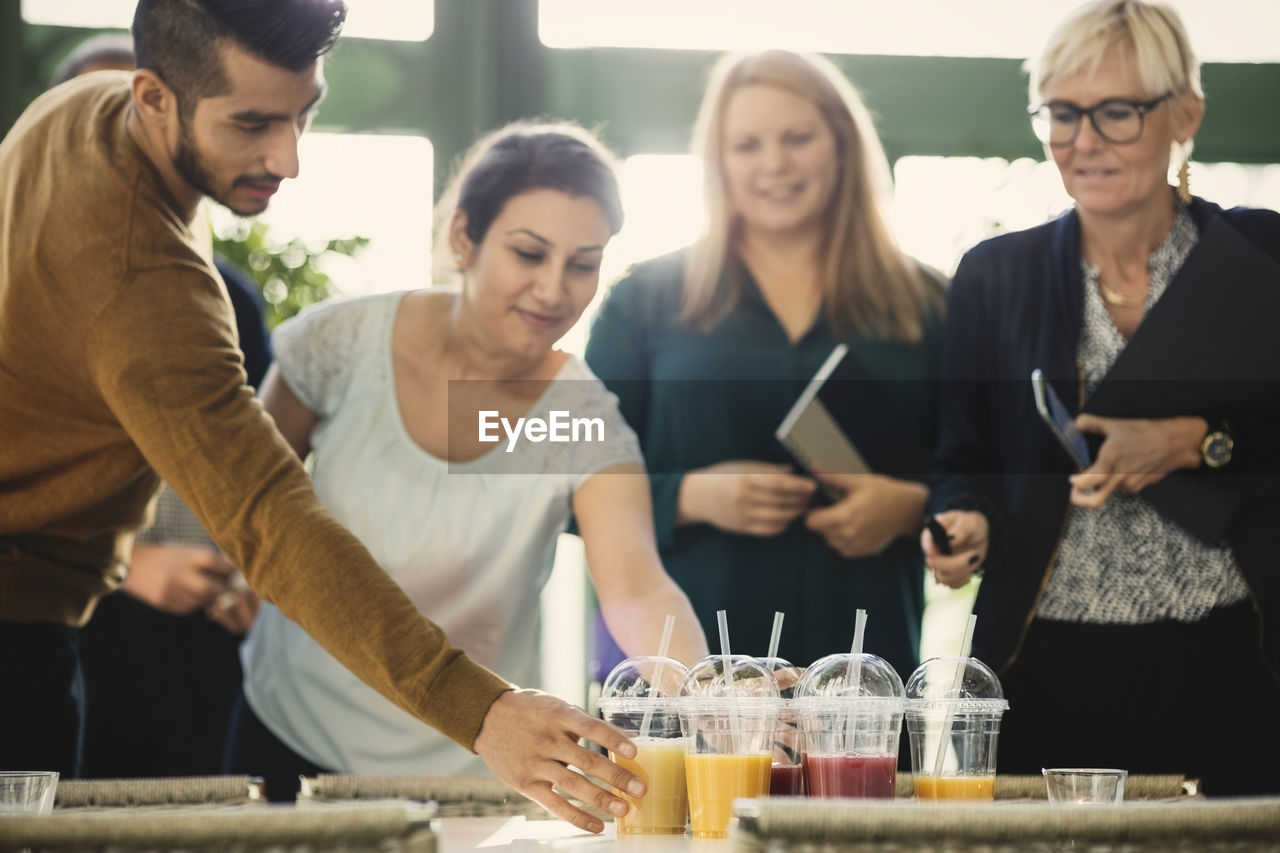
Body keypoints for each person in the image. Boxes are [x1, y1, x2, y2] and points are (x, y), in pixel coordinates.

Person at [0, 0, 649, 831]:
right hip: (282, 716)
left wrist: (700, 676)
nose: (290, 158)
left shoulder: (79, 113)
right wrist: (486, 710)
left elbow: (632, 574)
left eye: (305, 113)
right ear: (464, 238)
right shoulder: (308, 333)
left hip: (459, 762)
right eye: (254, 123)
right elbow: (265, 518)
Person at [228, 122, 708, 797]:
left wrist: (708, 687)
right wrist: (225, 577)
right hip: (291, 732)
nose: (553, 289)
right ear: (464, 238)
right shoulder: (341, 343)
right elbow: (242, 502)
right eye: (528, 253)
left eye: (582, 262)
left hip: (474, 759)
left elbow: (637, 588)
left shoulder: (580, 412)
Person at [923, 0, 1280, 795]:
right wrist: (965, 518)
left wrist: (1195, 441)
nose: (1084, 141)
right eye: (1062, 113)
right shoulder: (995, 276)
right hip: (1049, 655)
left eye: (1116, 112)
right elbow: (961, 459)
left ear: (1185, 113)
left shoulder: (1260, 256)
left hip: (1236, 650)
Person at [585, 50, 945, 682]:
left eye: (798, 138)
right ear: (716, 162)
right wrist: (688, 497)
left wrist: (912, 506)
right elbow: (559, 477)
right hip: (685, 682)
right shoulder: (642, 301)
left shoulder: (930, 304)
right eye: (746, 145)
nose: (774, 164)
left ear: (842, 145)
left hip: (864, 685)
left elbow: (990, 479)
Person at [46, 31, 265, 778]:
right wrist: (133, 564)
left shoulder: (231, 296)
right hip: (75, 627)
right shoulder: (29, 286)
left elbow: (255, 459)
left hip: (207, 634)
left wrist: (249, 570)